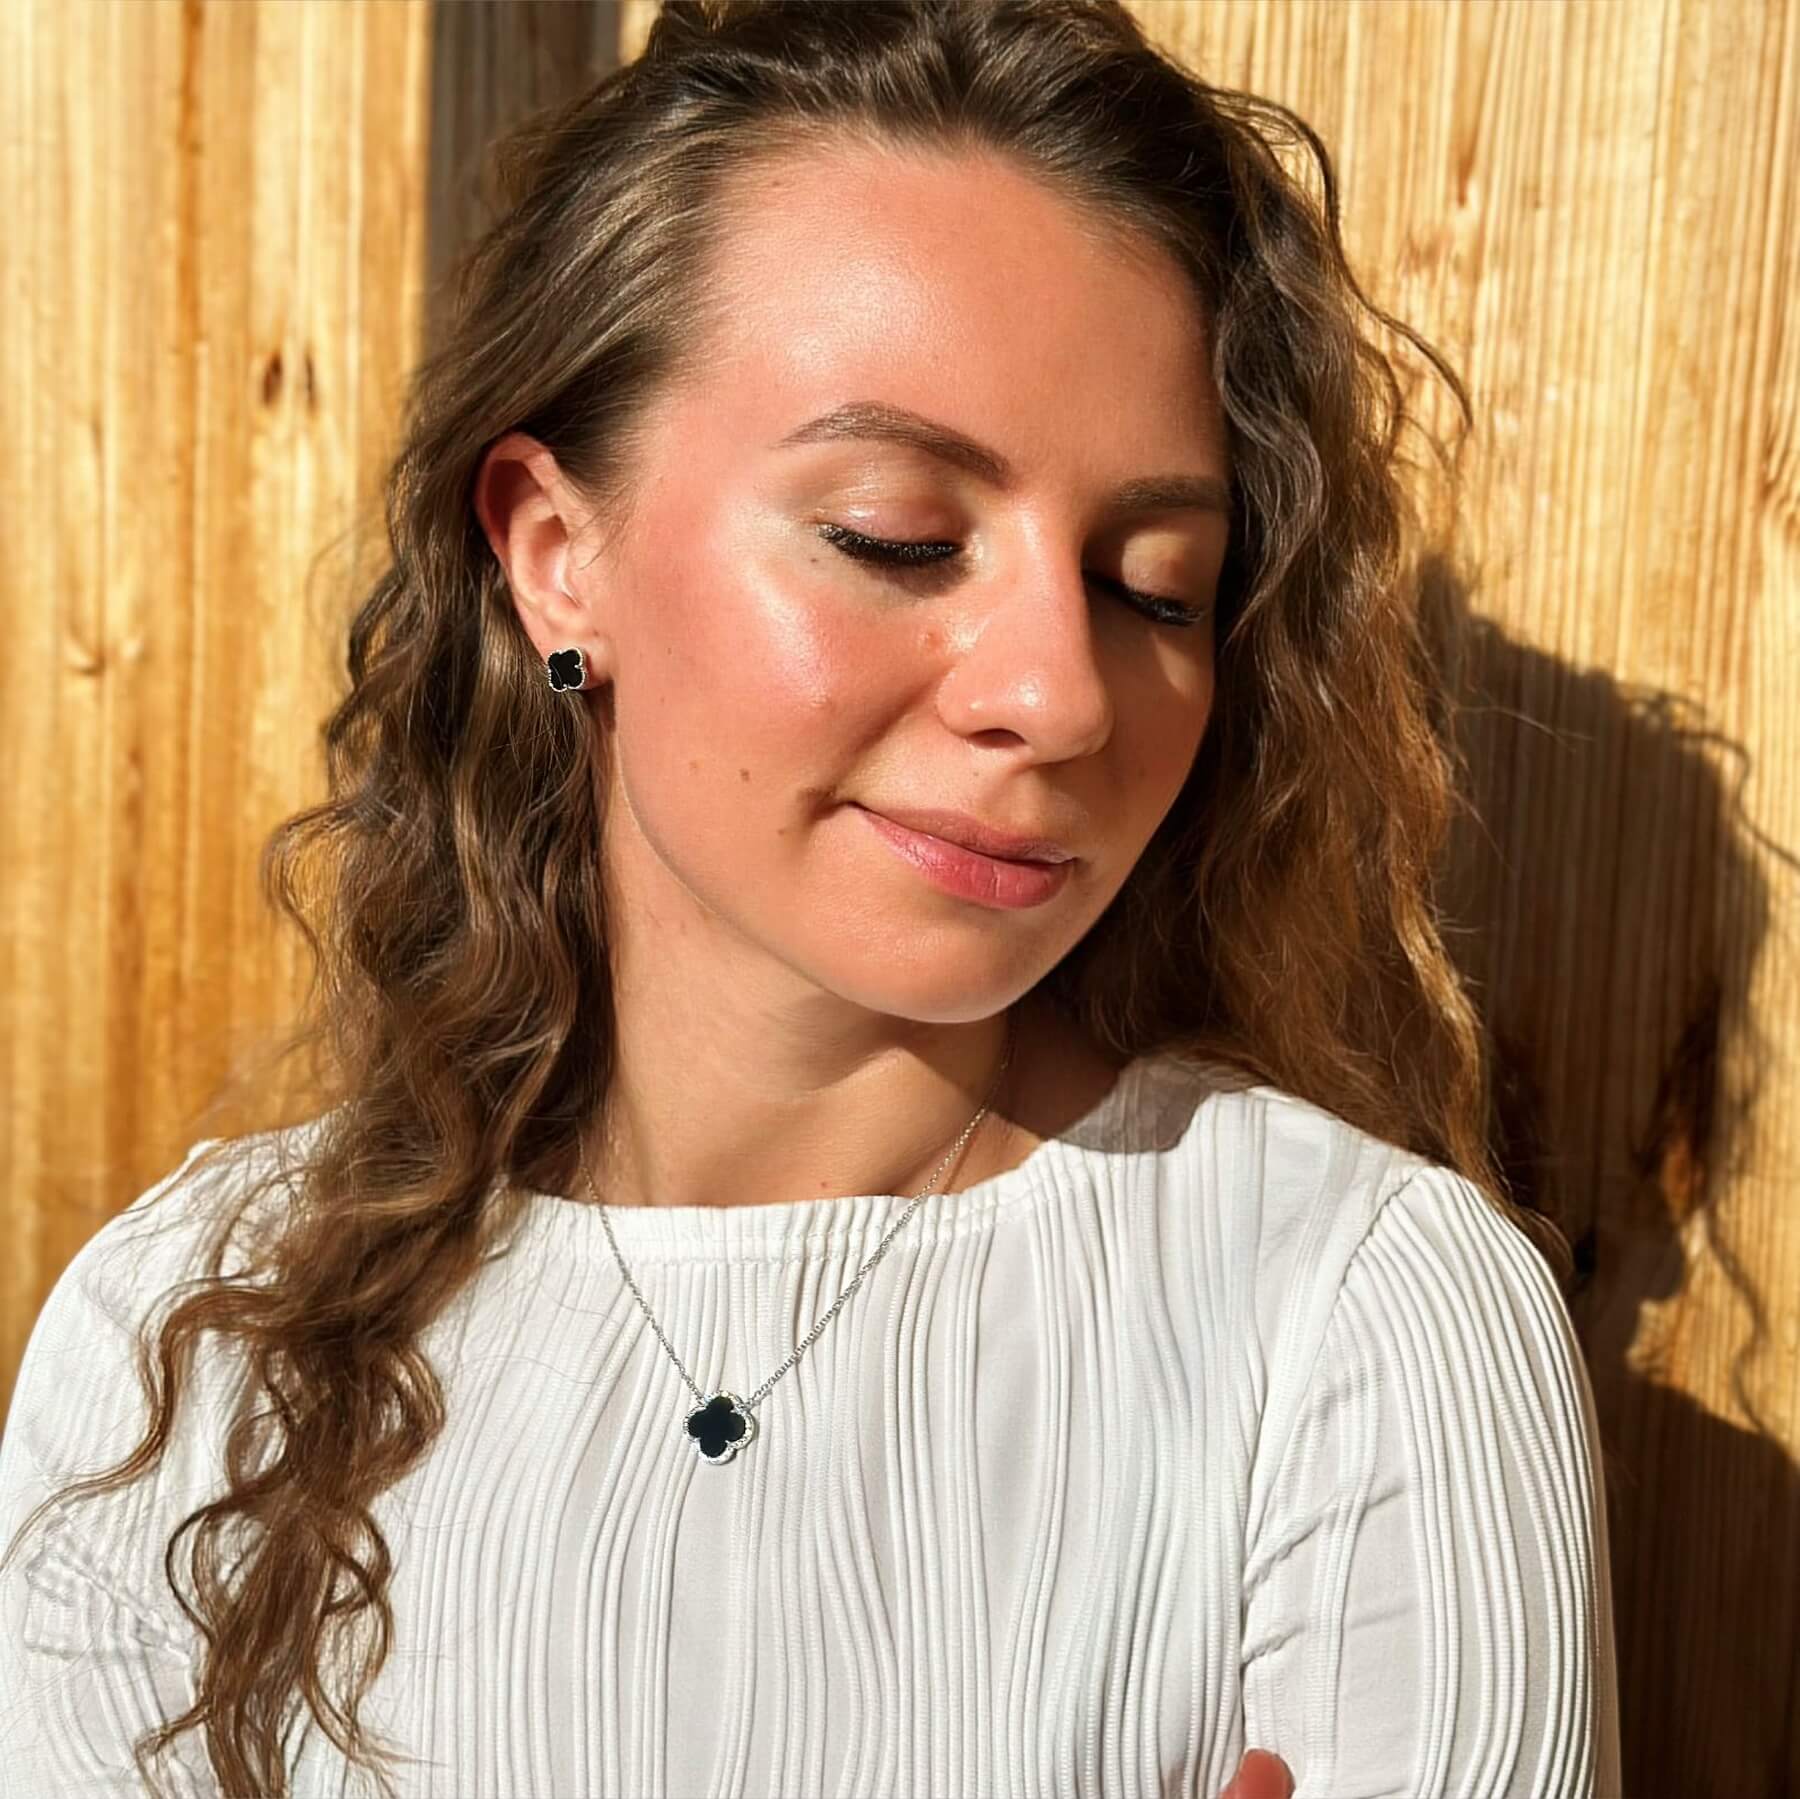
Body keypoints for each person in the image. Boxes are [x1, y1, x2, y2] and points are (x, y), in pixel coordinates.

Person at [0, 2, 1622, 1796]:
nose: (1062, 694)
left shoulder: (1355, 1320)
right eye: (895, 537)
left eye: (1156, 586)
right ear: (558, 554)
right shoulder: (190, 1344)